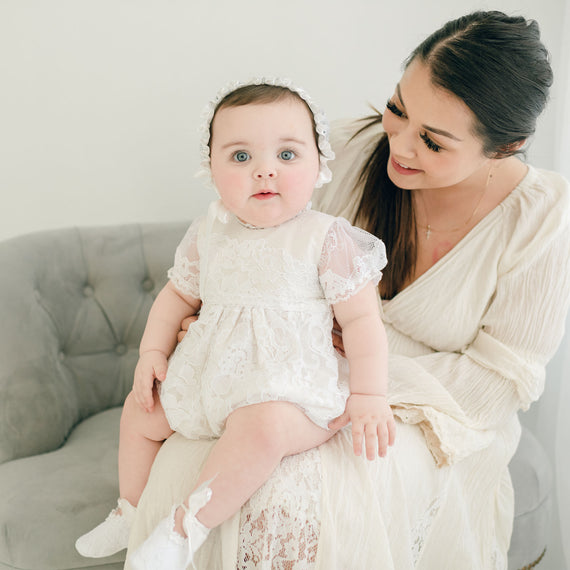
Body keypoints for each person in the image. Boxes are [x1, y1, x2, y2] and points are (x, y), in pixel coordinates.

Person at [123, 11, 570, 570]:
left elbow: (499, 381)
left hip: (436, 410)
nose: (400, 146)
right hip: (300, 372)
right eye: (399, 109)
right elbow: (266, 266)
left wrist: (361, 379)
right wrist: (214, 325)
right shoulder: (343, 153)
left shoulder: (544, 218)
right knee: (208, 461)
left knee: (294, 486)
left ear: (507, 147)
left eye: (432, 141)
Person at [75, 78, 395, 568]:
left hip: (289, 385)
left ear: (318, 164)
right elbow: (175, 297)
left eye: (287, 156)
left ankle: (183, 530)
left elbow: (362, 322)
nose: (265, 170)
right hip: (212, 375)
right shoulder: (210, 231)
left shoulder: (323, 239)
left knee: (262, 429)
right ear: (211, 169)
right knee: (141, 412)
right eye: (241, 157)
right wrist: (152, 354)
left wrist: (369, 394)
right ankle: (129, 509)